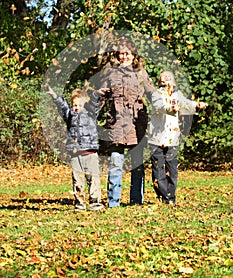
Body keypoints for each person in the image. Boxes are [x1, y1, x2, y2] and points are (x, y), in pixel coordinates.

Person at [98, 37, 155, 207]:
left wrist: (167, 106)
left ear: (134, 55)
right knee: (115, 162)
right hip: (115, 124)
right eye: (121, 54)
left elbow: (153, 94)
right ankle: (113, 201)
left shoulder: (140, 73)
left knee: (137, 164)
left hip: (136, 125)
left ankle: (136, 201)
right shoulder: (110, 73)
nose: (124, 57)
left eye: (127, 53)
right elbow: (101, 96)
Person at [148, 70, 208, 205]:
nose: (165, 82)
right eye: (162, 80)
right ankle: (163, 197)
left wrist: (197, 106)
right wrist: (170, 109)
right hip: (157, 138)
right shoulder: (157, 94)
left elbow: (186, 104)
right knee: (158, 171)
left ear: (173, 81)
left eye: (168, 79)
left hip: (172, 138)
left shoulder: (177, 94)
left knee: (172, 170)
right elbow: (160, 107)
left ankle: (170, 197)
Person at [45, 83, 108, 211]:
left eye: (80, 105)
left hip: (90, 152)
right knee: (77, 180)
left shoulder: (90, 114)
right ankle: (80, 203)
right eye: (74, 105)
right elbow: (62, 106)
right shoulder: (70, 116)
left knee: (93, 178)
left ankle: (95, 202)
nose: (77, 108)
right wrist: (54, 95)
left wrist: (96, 94)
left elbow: (95, 105)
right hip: (76, 153)